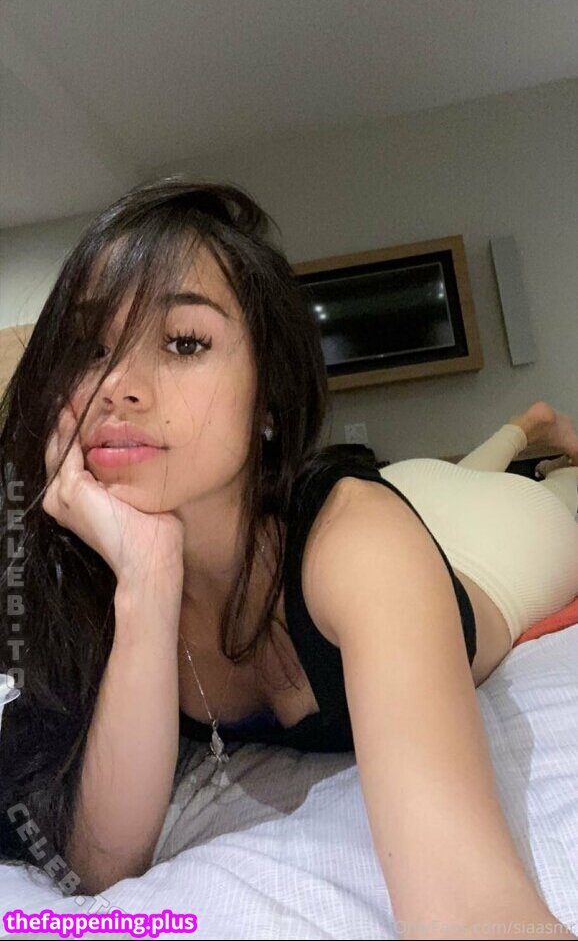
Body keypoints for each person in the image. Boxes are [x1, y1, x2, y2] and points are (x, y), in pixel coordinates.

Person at [0, 178, 576, 940]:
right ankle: (519, 428)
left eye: (183, 342)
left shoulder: (359, 545)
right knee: (449, 474)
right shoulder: (94, 568)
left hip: (495, 544)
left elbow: (469, 907)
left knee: (545, 495)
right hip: (396, 500)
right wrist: (147, 578)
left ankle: (541, 438)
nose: (118, 387)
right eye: (91, 349)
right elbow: (102, 866)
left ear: (267, 396)